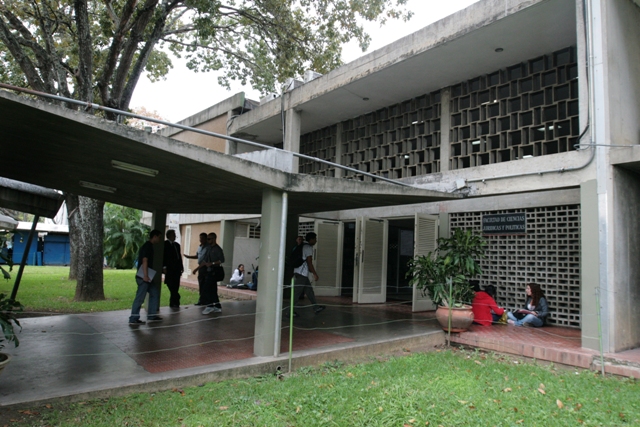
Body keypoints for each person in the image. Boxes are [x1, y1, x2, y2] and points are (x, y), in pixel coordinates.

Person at [129, 229, 163, 325]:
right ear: (154, 237)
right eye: (159, 237)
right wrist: (145, 276)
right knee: (140, 297)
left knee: (155, 292)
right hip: (144, 277)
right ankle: (133, 318)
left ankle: (152, 315)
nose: (160, 240)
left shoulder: (149, 246)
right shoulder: (147, 247)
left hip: (147, 276)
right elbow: (145, 260)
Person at [287, 232, 325, 316]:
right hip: (302, 274)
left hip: (298, 272)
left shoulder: (302, 246)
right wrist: (315, 274)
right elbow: (309, 262)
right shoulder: (308, 248)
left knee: (309, 291)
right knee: (296, 293)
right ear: (311, 239)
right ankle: (290, 311)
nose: (316, 241)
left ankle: (316, 307)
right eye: (315, 239)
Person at [201, 232, 225, 314]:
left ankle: (210, 306)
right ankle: (217, 306)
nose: (207, 240)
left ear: (214, 239)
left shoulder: (217, 249)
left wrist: (212, 263)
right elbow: (205, 260)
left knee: (206, 288)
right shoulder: (209, 248)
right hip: (209, 271)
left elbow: (222, 260)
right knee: (212, 289)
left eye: (209, 239)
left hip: (215, 271)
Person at [184, 232, 208, 305]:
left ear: (206, 239)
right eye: (200, 238)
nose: (201, 240)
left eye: (202, 238)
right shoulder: (199, 247)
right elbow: (197, 256)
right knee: (201, 284)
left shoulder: (208, 248)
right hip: (201, 268)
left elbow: (204, 261)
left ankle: (205, 301)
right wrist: (189, 257)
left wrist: (196, 269)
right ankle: (202, 300)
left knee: (205, 285)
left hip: (206, 268)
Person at [163, 229, 184, 309]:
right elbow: (164, 256)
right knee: (170, 284)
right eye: (173, 235)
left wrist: (181, 267)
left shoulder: (177, 245)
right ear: (169, 236)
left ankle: (174, 303)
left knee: (176, 285)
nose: (175, 236)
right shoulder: (165, 244)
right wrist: (164, 267)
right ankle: (176, 297)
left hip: (177, 269)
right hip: (169, 269)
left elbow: (179, 257)